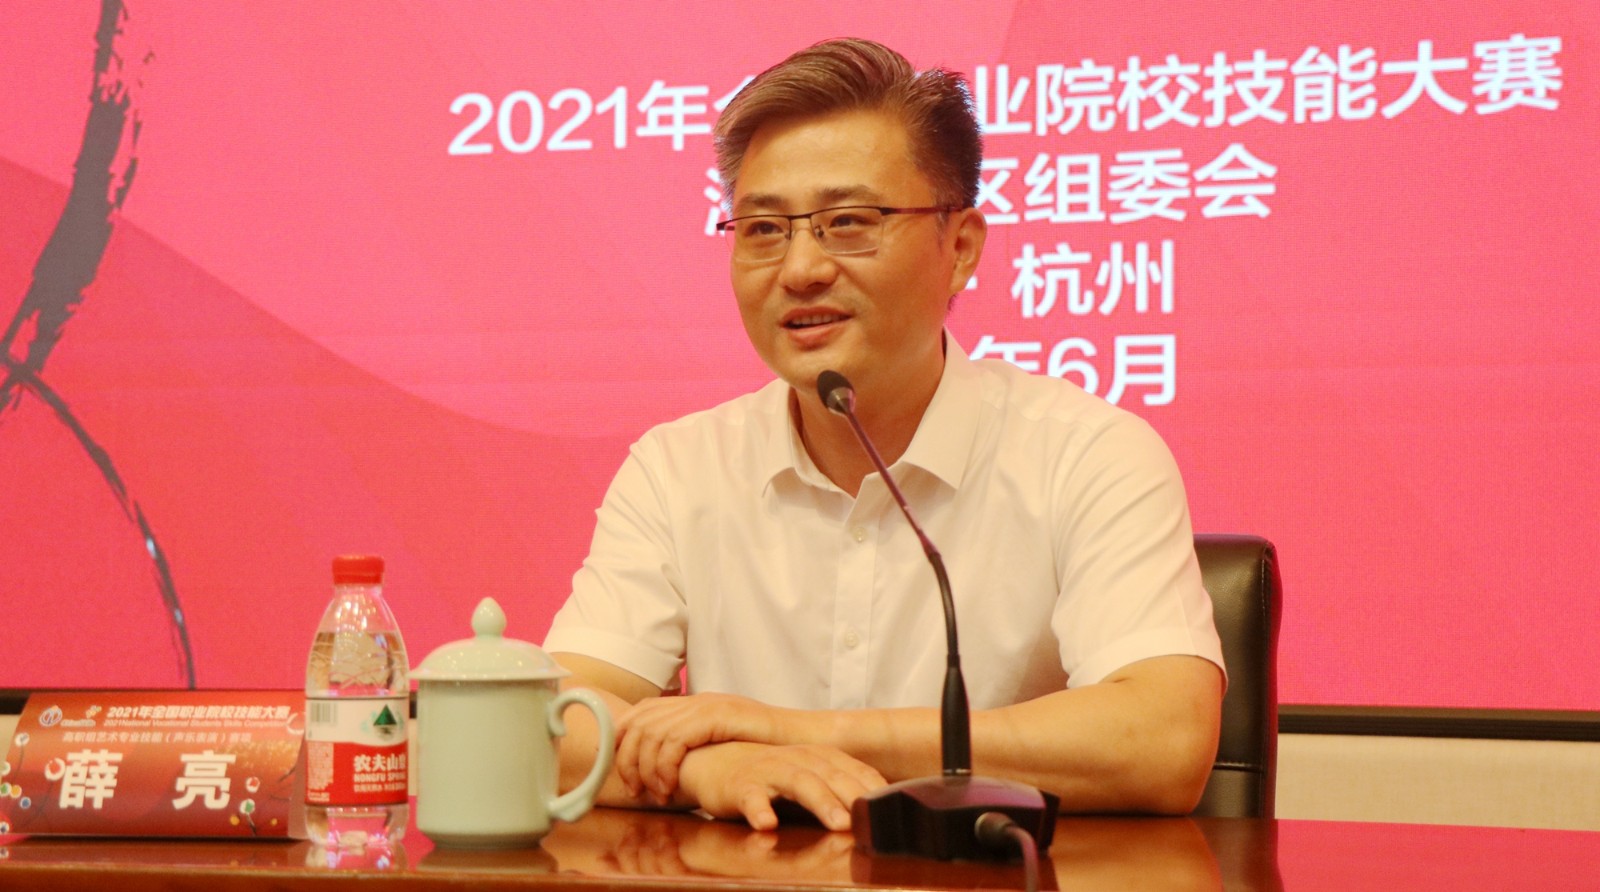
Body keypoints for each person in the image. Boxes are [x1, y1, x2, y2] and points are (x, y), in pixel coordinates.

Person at [542, 37, 1225, 833]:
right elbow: (544, 725)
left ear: (960, 248)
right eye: (762, 228)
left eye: (848, 222)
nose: (799, 268)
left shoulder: (1087, 454)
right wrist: (712, 767)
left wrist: (797, 733)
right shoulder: (680, 468)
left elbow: (1163, 740)